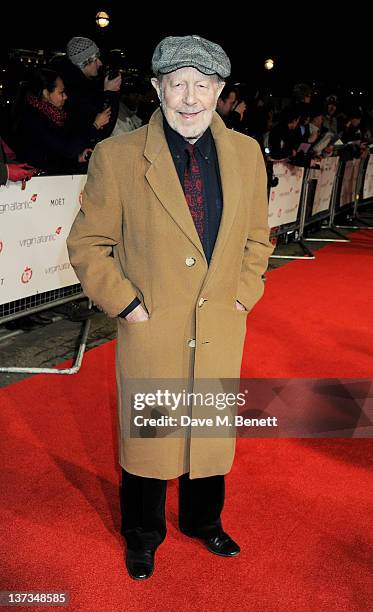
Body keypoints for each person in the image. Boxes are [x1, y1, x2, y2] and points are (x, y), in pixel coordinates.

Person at [67, 34, 273, 581]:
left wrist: (242, 293)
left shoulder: (247, 155)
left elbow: (258, 238)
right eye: (177, 84)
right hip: (152, 323)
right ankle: (143, 534)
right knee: (151, 437)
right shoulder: (119, 156)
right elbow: (88, 244)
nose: (189, 98)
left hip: (220, 324)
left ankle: (204, 522)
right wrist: (127, 303)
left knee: (207, 429)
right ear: (157, 88)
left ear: (220, 91)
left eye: (202, 86)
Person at [12, 69, 92, 174]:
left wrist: (77, 158)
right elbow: (65, 149)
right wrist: (94, 126)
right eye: (61, 92)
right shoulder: (33, 119)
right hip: (38, 182)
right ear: (46, 93)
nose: (65, 96)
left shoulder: (54, 115)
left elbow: (56, 155)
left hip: (49, 179)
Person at [53, 36, 121, 146]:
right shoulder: (77, 92)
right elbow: (102, 132)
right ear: (84, 62)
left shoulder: (77, 84)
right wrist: (111, 93)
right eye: (95, 59)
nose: (100, 63)